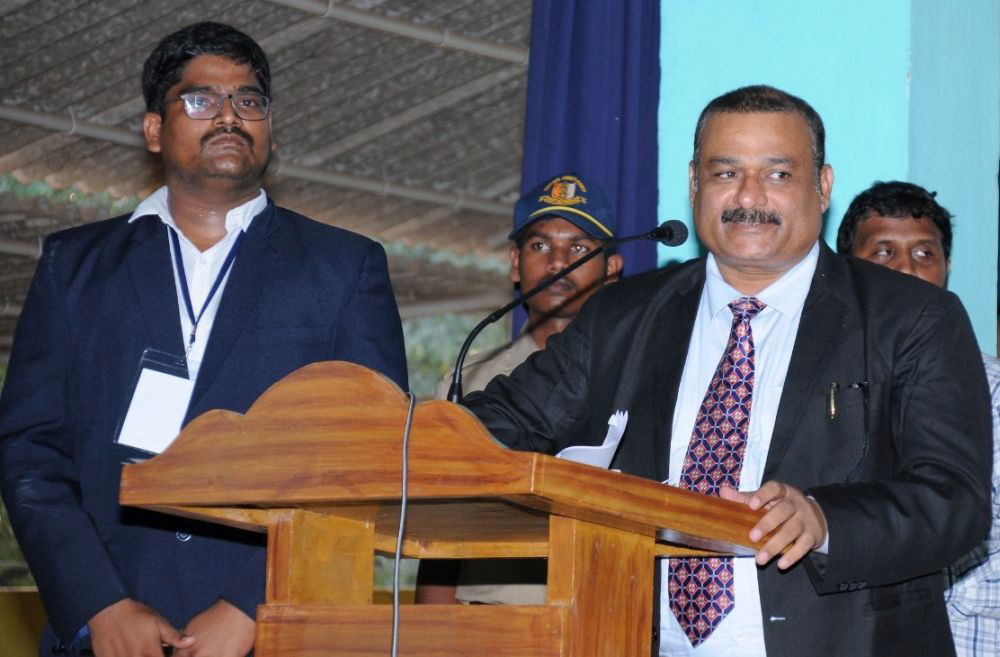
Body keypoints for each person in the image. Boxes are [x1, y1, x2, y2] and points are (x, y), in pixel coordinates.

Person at [462, 85, 992, 656]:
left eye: (778, 174)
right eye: (725, 173)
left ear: (822, 187)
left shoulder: (911, 317)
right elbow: (503, 422)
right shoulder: (622, 315)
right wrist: (411, 432)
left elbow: (954, 501)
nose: (748, 196)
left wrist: (824, 519)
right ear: (695, 185)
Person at [0, 22, 407, 657]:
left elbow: (372, 452)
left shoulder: (343, 267)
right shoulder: (74, 266)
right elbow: (30, 452)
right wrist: (100, 606)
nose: (228, 115)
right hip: (107, 628)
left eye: (248, 100)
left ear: (270, 129)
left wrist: (256, 603)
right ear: (154, 129)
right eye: (200, 99)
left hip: (274, 628)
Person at [422, 172, 623, 605]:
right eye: (540, 246)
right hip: (488, 621)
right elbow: (439, 532)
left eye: (579, 248)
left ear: (611, 269)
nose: (557, 263)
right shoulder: (468, 379)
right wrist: (432, 629)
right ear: (515, 263)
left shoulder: (633, 374)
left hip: (604, 616)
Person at [837, 180, 1000, 657]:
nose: (906, 268)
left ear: (947, 267)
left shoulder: (992, 388)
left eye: (925, 253)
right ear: (848, 269)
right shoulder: (823, 385)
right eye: (883, 252)